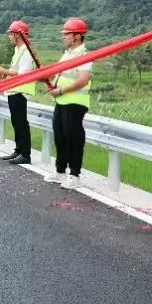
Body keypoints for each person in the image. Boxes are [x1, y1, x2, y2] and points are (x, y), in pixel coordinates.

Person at [45, 18, 92, 189]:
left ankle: (74, 175)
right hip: (61, 101)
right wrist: (52, 85)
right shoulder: (67, 53)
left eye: (67, 34)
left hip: (75, 102)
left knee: (73, 138)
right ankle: (60, 171)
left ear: (77, 36)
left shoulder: (84, 55)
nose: (63, 37)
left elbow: (83, 80)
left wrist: (61, 90)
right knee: (60, 136)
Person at [0, 20, 36, 165]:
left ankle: (25, 154)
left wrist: (3, 71)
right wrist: (4, 76)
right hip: (13, 90)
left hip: (20, 90)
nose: (9, 37)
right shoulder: (18, 50)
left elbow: (22, 73)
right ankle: (18, 150)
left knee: (21, 122)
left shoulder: (27, 50)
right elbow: (13, 70)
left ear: (18, 35)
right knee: (16, 122)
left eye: (11, 34)